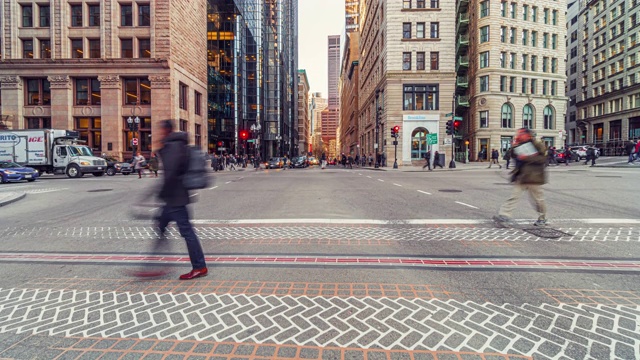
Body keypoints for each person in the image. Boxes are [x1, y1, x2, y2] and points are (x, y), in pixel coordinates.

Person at [156, 119, 208, 280]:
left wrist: (161, 193)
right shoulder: (177, 145)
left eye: (161, 130)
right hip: (175, 197)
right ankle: (155, 264)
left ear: (167, 130)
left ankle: (199, 266)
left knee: (186, 232)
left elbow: (171, 174)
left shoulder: (173, 146)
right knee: (161, 226)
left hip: (175, 198)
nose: (159, 133)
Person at [493, 128, 548, 227]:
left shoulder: (537, 145)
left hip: (534, 177)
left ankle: (542, 217)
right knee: (514, 196)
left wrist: (526, 157)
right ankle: (504, 215)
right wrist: (514, 146)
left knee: (537, 200)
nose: (519, 135)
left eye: (521, 134)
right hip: (521, 176)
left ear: (527, 135)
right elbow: (513, 155)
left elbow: (542, 159)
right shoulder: (519, 144)